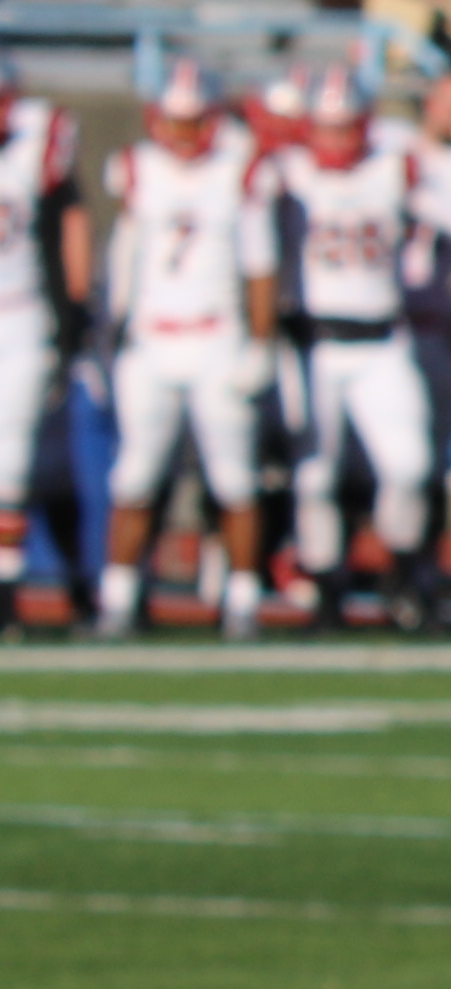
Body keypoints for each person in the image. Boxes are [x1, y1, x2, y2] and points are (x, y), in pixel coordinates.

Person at [92, 58, 273, 639]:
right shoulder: (137, 168)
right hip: (151, 340)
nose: (183, 134)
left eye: (194, 122)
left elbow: (259, 265)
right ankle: (118, 596)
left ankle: (243, 598)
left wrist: (260, 342)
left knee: (234, 480)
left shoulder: (238, 170)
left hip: (216, 336)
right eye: (175, 121)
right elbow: (124, 255)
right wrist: (109, 333)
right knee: (134, 476)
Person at [269, 61, 442, 626]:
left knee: (409, 465)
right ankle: (324, 584)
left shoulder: (395, 166)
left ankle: (404, 569)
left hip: (382, 339)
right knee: (313, 476)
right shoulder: (286, 172)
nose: (336, 141)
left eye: (346, 128)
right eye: (326, 128)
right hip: (313, 343)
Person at [0, 72, 78, 635]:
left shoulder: (34, 143)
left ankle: (5, 591)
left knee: (9, 465)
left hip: (19, 314)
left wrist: (70, 318)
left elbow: (70, 223)